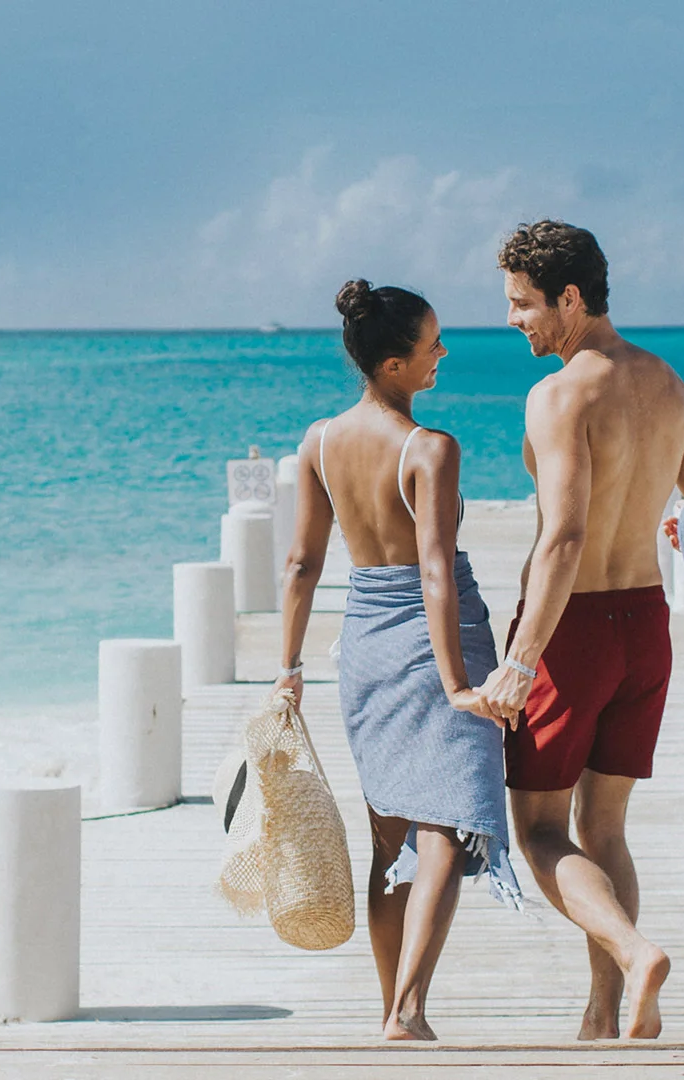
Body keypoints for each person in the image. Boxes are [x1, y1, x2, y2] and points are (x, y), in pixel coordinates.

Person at [474, 221, 684, 1041]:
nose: (513, 318)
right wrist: (658, 522)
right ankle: (602, 1013)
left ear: (571, 298)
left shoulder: (561, 394)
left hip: (572, 634)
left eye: (522, 304)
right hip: (645, 627)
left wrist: (520, 662)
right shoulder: (668, 383)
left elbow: (563, 537)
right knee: (607, 828)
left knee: (541, 831)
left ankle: (632, 949)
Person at [275, 279, 523, 1042]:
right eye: (430, 346)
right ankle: (409, 1009)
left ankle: (393, 1008)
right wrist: (456, 680)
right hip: (433, 639)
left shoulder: (317, 440)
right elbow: (437, 573)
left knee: (390, 832)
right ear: (391, 365)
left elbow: (300, 563)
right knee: (447, 818)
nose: (443, 354)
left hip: (366, 644)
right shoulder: (429, 448)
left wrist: (288, 666)